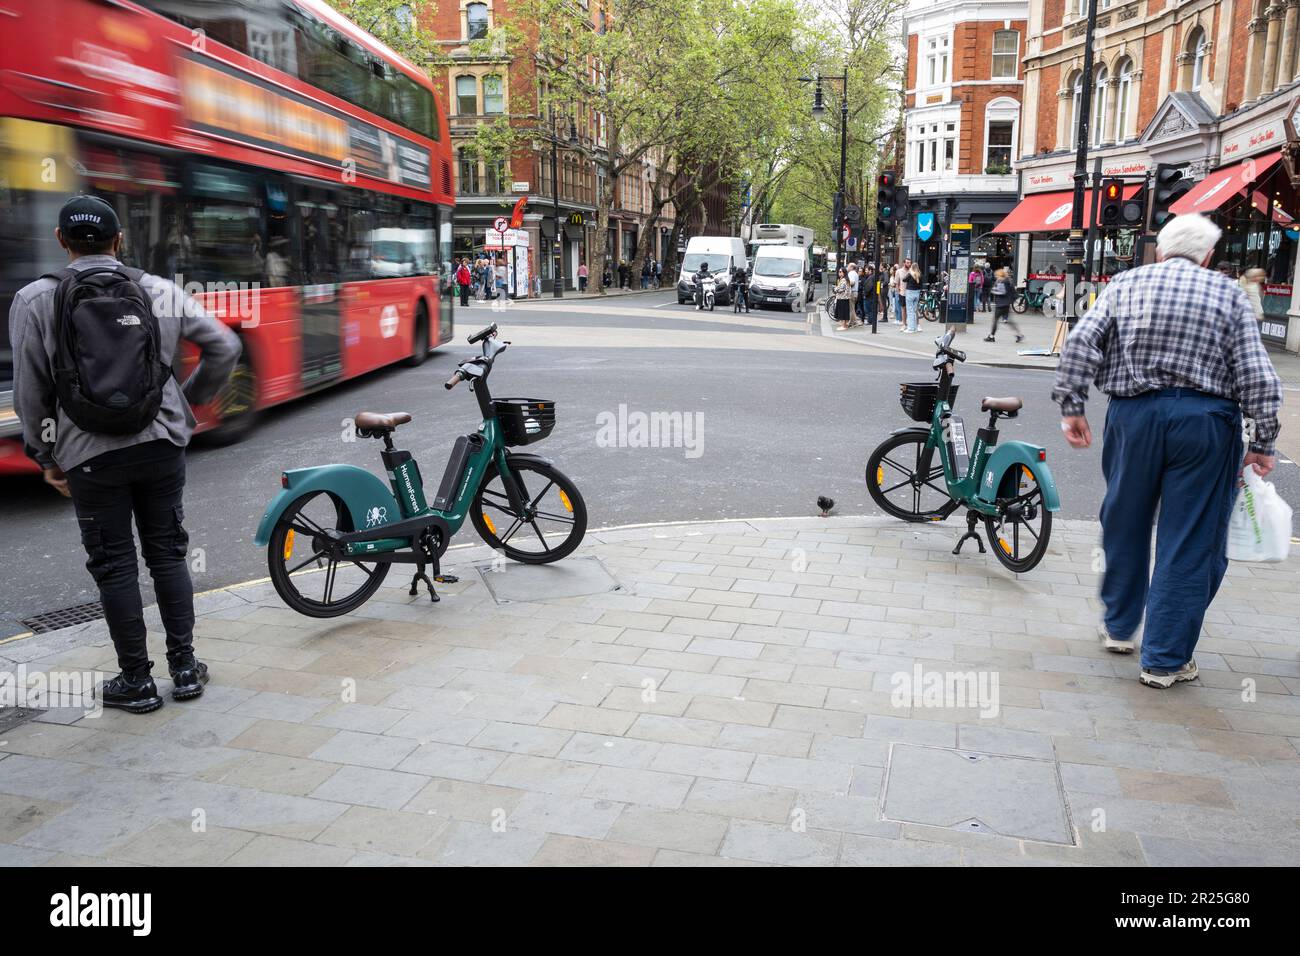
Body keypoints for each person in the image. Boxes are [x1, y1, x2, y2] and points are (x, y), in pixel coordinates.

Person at [10, 195, 241, 713]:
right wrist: (190, 400)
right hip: (160, 444)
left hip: (88, 456)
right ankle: (184, 669)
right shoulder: (158, 290)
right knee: (167, 554)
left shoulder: (33, 300)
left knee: (113, 566)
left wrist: (45, 455)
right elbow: (225, 346)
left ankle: (135, 681)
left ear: (61, 241)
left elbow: (30, 392)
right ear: (120, 241)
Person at [1053, 214, 1282, 689]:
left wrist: (1073, 406)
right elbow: (1258, 375)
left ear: (1161, 250)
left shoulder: (1124, 284)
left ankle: (1119, 627)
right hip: (1205, 423)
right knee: (1190, 538)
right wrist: (1263, 443)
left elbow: (1081, 342)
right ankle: (1163, 660)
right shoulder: (1229, 294)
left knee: (1124, 519)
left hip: (1133, 417)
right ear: (1209, 256)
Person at [985, 267, 1022, 343]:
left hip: (1000, 305)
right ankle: (1018, 335)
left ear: (999, 275)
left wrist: (993, 290)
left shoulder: (1002, 282)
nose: (996, 277)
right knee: (1009, 321)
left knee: (995, 320)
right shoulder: (1008, 281)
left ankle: (991, 336)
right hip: (1006, 304)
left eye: (996, 276)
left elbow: (1001, 292)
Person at [903, 262, 921, 332]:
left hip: (910, 293)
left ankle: (910, 328)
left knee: (910, 311)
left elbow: (904, 279)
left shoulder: (910, 274)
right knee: (914, 311)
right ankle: (915, 328)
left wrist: (909, 271)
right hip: (917, 293)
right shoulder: (919, 274)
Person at [860, 263, 878, 334]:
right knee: (870, 309)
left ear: (870, 270)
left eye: (867, 270)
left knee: (869, 309)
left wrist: (865, 293)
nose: (866, 271)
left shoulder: (871, 277)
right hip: (871, 296)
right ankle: (871, 320)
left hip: (869, 296)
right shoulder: (872, 277)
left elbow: (869, 287)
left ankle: (870, 321)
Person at [846, 261, 860, 327]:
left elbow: (852, 282)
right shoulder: (855, 273)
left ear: (851, 267)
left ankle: (854, 322)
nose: (847, 267)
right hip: (855, 293)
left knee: (851, 308)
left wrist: (846, 284)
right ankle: (853, 322)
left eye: (848, 266)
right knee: (852, 307)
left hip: (852, 292)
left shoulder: (851, 273)